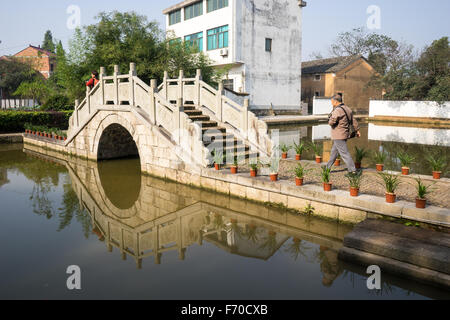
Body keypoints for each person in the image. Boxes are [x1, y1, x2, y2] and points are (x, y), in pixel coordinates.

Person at [326, 94, 361, 173]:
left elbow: (332, 122)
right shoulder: (347, 109)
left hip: (338, 135)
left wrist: (329, 120)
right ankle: (327, 168)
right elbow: (353, 121)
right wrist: (357, 130)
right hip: (344, 134)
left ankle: (353, 171)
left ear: (335, 101)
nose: (331, 103)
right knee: (333, 153)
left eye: (332, 102)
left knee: (344, 153)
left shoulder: (337, 110)